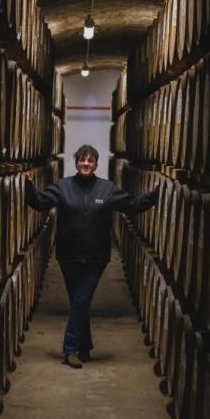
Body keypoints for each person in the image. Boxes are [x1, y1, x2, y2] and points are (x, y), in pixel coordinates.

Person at [25, 144, 159, 369]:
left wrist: (156, 195)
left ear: (96, 164)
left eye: (90, 161)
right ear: (76, 162)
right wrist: (28, 187)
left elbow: (133, 206)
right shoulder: (62, 187)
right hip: (68, 256)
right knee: (80, 303)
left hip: (96, 257)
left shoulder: (107, 189)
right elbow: (38, 203)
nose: (86, 164)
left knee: (80, 300)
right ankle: (85, 346)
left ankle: (69, 350)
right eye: (82, 160)